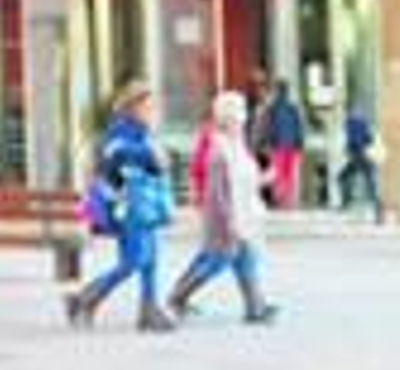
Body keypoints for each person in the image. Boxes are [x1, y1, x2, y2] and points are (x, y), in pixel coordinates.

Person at [65, 79, 177, 332]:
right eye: (148, 106)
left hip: (146, 205)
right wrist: (149, 155)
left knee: (151, 260)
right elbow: (117, 157)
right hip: (127, 207)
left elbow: (160, 163)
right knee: (132, 261)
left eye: (154, 106)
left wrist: (153, 156)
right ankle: (83, 299)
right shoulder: (119, 131)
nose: (153, 111)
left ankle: (149, 311)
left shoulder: (144, 133)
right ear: (133, 107)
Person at [166, 90, 279, 325]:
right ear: (227, 118)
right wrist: (229, 221)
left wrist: (264, 179)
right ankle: (178, 297)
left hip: (244, 213)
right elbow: (216, 192)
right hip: (227, 217)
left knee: (246, 259)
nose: (243, 118)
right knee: (218, 261)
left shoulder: (237, 144)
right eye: (239, 114)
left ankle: (255, 307)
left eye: (243, 113)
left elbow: (245, 178)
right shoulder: (219, 148)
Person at [255, 78, 305, 210]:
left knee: (279, 173)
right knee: (287, 174)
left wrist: (264, 142)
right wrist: (300, 144)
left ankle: (282, 199)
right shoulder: (291, 107)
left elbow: (267, 127)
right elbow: (299, 126)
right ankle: (287, 200)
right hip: (289, 145)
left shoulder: (272, 108)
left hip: (279, 145)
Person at [338, 106, 384, 221]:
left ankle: (346, 202)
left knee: (342, 178)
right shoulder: (364, 122)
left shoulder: (350, 123)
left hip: (359, 156)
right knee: (370, 184)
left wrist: (350, 149)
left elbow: (355, 140)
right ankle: (378, 211)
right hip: (365, 156)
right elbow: (370, 139)